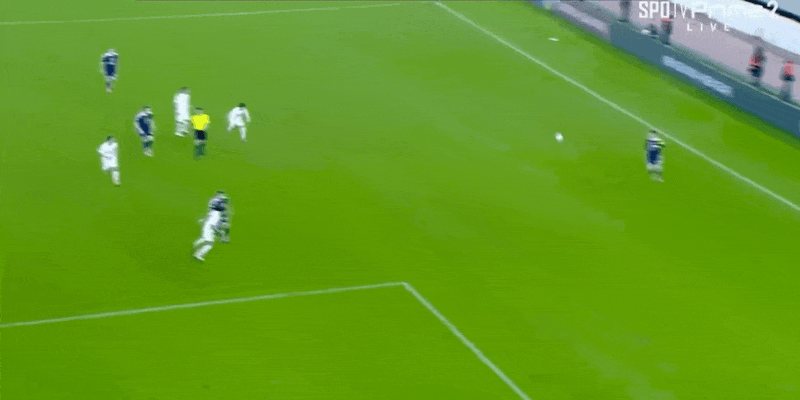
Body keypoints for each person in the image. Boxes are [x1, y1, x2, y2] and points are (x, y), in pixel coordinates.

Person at [193, 191, 231, 261]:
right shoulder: (217, 214)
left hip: (207, 226)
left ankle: (197, 243)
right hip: (209, 228)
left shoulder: (214, 211)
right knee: (209, 244)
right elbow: (214, 226)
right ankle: (198, 254)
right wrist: (221, 233)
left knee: (208, 238)